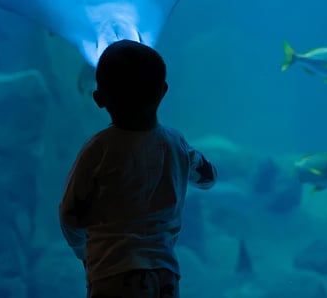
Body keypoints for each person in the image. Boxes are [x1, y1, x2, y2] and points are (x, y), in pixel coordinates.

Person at [59, 40, 217, 298]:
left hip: (112, 272)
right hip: (164, 273)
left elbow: (70, 213)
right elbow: (208, 178)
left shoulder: (98, 149)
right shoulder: (176, 143)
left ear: (99, 98)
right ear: (163, 91)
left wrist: (82, 252)